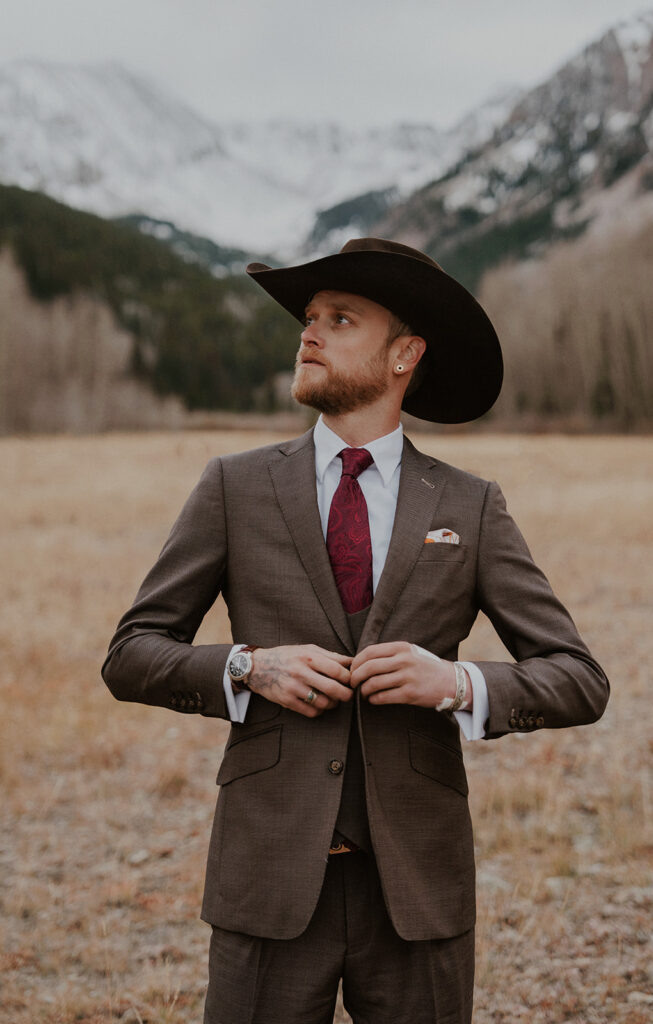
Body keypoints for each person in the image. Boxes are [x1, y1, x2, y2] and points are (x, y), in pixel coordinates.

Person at [102, 237, 609, 1024]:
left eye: (340, 319)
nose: (308, 334)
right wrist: (246, 667)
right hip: (267, 872)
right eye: (308, 317)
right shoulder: (233, 487)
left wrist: (458, 683)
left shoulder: (469, 504)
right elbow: (131, 654)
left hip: (417, 887)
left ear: (405, 353)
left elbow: (577, 677)